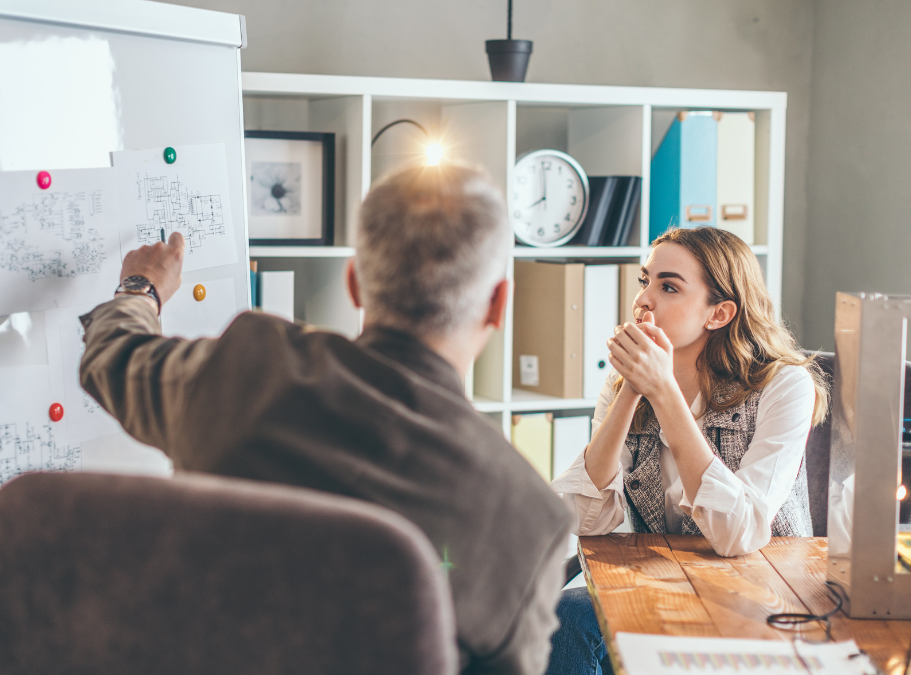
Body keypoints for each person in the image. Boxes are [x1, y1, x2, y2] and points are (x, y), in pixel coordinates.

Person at [79, 162, 573, 675]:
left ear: (354, 284)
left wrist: (143, 286)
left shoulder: (244, 372)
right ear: (498, 304)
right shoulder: (530, 521)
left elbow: (112, 358)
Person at [545, 226, 830, 675]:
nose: (643, 301)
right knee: (565, 621)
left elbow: (738, 533)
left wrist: (665, 395)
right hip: (662, 581)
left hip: (766, 590)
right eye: (645, 281)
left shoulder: (783, 386)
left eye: (669, 286)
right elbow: (584, 518)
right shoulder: (623, 384)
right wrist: (630, 393)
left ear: (718, 313)